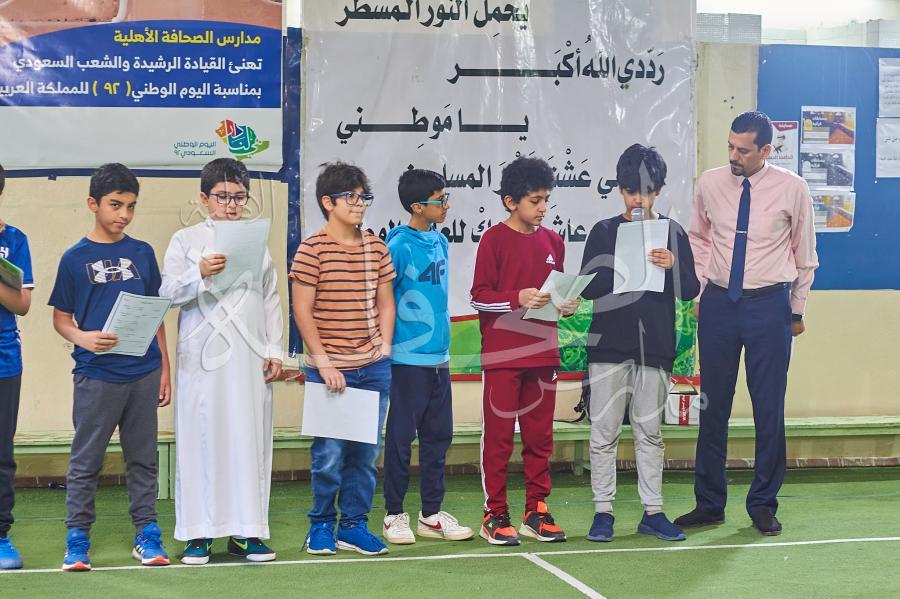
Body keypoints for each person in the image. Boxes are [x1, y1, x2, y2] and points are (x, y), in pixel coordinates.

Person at [676, 111, 818, 535]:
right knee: (712, 406)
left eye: (743, 150)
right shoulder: (710, 183)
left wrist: (796, 311)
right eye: (730, 146)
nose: (733, 155)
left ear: (766, 150)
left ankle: (762, 504)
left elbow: (805, 254)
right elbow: (699, 238)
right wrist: (701, 293)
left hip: (769, 305)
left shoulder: (793, 188)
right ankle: (709, 503)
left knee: (768, 408)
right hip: (718, 303)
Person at [48, 163, 172, 571]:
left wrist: (164, 368)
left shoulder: (142, 253)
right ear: (93, 204)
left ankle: (147, 534)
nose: (124, 214)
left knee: (143, 459)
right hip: (96, 375)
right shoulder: (74, 259)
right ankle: (77, 539)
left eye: (131, 206)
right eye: (116, 205)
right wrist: (83, 337)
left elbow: (155, 313)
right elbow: (61, 318)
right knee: (86, 461)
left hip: (143, 373)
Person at [160, 158, 283, 565]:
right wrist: (199, 273)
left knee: (248, 439)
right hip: (202, 361)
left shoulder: (256, 241)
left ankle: (247, 532)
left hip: (249, 360)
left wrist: (275, 350)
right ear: (204, 198)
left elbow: (270, 298)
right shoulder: (185, 240)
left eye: (239, 197)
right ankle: (198, 533)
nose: (232, 205)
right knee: (201, 440)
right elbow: (167, 295)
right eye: (223, 197)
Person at [579, 144, 700, 543]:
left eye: (645, 193)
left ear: (659, 191)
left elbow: (690, 290)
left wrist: (673, 265)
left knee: (650, 432)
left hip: (655, 346)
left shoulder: (673, 232)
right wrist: (615, 264)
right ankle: (603, 512)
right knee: (604, 431)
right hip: (608, 344)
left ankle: (653, 511)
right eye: (630, 191)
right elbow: (587, 288)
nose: (637, 200)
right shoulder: (603, 231)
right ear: (620, 189)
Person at [470, 156, 580, 546]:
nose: (543, 208)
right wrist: (517, 297)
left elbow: (555, 297)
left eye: (546, 199)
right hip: (502, 356)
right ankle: (494, 513)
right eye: (535, 200)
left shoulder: (554, 242)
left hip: (543, 354)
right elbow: (479, 297)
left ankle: (537, 510)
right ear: (510, 201)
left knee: (540, 438)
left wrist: (567, 305)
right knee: (499, 437)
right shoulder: (492, 239)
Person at [291, 162, 395, 556]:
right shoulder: (312, 249)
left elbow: (386, 303)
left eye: (363, 197)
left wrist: (384, 347)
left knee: (365, 456)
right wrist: (324, 363)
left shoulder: (376, 247)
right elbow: (302, 310)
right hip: (329, 371)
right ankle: (320, 526)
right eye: (349, 197)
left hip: (373, 368)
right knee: (329, 455)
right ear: (327, 202)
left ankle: (353, 526)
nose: (358, 204)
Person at [381, 169, 473, 544]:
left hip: (439, 358)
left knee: (438, 438)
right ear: (417, 206)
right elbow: (382, 299)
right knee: (401, 440)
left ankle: (431, 514)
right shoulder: (397, 246)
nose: (446, 205)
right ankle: (393, 514)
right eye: (439, 200)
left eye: (445, 198)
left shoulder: (440, 241)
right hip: (407, 360)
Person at [0, 163, 34, 570]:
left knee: (1, 453)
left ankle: (0, 535)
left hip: (4, 360)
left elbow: (22, 304)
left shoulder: (14, 240)